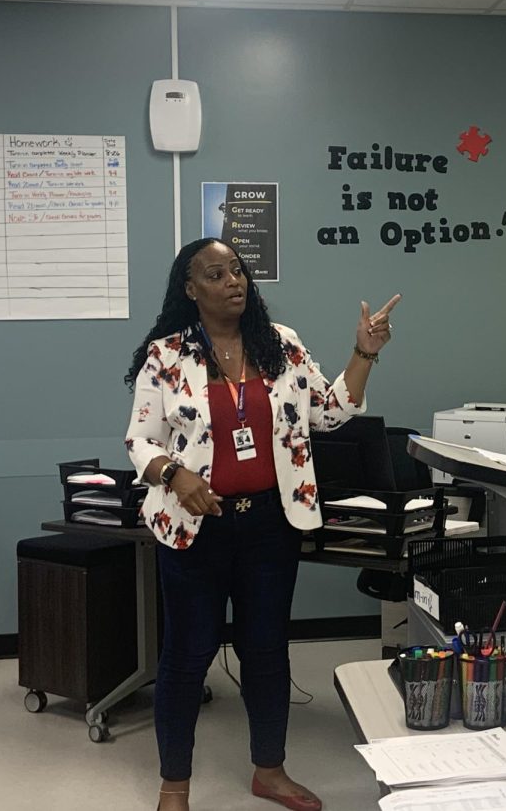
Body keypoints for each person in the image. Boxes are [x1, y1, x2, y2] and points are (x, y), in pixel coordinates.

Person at [125, 238, 401, 811]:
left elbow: (328, 412)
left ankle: (269, 771)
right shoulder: (168, 355)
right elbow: (140, 441)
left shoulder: (281, 346)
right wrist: (176, 475)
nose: (234, 281)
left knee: (267, 649)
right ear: (191, 288)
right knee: (188, 654)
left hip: (270, 526)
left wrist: (363, 352)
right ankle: (174, 788)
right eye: (217, 273)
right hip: (195, 529)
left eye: (239, 271)